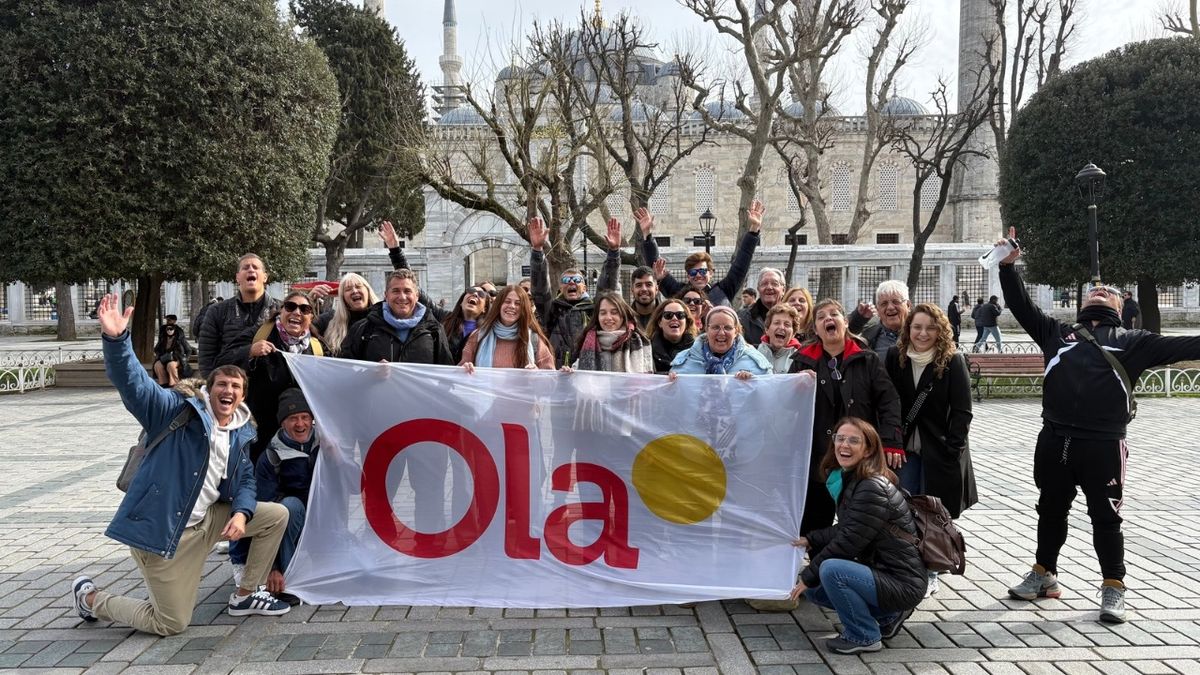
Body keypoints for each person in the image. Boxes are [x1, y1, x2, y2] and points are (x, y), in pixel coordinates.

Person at [997, 227, 1200, 624]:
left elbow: (1188, 346)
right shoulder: (1056, 333)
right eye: (1097, 288)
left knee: (1105, 517)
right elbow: (1020, 305)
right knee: (1049, 510)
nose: (1100, 289)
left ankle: (1113, 587)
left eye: (1110, 290)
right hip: (1054, 439)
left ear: (1122, 306)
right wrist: (1008, 268)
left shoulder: (1135, 341)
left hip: (1103, 446)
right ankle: (1044, 574)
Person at [73, 294, 291, 636]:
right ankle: (91, 598)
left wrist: (241, 513)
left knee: (275, 515)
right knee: (171, 623)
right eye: (222, 384)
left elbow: (245, 481)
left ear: (242, 396)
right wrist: (117, 341)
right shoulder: (175, 411)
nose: (229, 391)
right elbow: (135, 386)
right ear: (208, 388)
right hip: (163, 531)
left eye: (236, 386)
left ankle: (246, 594)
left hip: (206, 522)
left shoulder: (241, 432)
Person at [789, 417, 926, 654]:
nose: (844, 445)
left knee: (831, 570)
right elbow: (848, 527)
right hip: (885, 572)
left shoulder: (871, 486)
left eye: (854, 440)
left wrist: (807, 576)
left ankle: (864, 635)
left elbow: (848, 541)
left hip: (902, 582)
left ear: (868, 449)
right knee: (814, 591)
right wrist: (810, 539)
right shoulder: (853, 479)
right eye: (840, 439)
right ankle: (887, 615)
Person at [884, 303, 977, 596]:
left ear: (940, 331)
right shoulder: (894, 357)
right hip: (903, 450)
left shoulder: (952, 360)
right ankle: (908, 566)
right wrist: (890, 442)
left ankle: (932, 569)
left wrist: (953, 449)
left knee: (934, 512)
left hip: (940, 451)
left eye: (930, 328)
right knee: (904, 508)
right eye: (917, 327)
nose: (922, 334)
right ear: (907, 329)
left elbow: (963, 411)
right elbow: (887, 402)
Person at [789, 299, 903, 536]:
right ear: (816, 328)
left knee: (859, 519)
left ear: (845, 322)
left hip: (858, 455)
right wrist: (795, 386)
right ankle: (815, 567)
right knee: (814, 520)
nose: (828, 319)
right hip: (818, 455)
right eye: (821, 317)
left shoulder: (867, 358)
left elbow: (889, 401)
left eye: (834, 314)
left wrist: (892, 441)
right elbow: (786, 406)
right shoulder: (802, 361)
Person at [247, 388, 319, 606]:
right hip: (292, 522)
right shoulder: (271, 456)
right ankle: (287, 578)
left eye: (305, 417)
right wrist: (272, 568)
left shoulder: (326, 443)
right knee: (289, 506)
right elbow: (263, 515)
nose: (300, 424)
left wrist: (339, 458)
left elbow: (353, 489)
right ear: (282, 424)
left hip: (324, 520)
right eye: (293, 419)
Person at [636, 201, 765, 308]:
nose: (698, 276)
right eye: (693, 272)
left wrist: (754, 230)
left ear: (711, 273)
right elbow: (656, 265)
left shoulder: (724, 290)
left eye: (703, 271)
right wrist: (647, 234)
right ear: (688, 276)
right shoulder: (678, 292)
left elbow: (741, 264)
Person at [529, 217, 619, 367]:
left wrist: (614, 253)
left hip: (588, 371)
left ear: (584, 287)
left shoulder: (594, 310)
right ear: (560, 287)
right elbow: (540, 290)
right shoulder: (552, 311)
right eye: (566, 281)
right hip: (558, 375)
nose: (571, 283)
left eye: (577, 281)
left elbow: (607, 287)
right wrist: (537, 252)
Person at [340, 269, 455, 367]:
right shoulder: (363, 328)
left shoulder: (434, 330)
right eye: (395, 291)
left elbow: (446, 374)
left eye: (407, 291)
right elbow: (344, 370)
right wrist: (370, 373)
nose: (402, 297)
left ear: (417, 296)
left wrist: (465, 372)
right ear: (386, 295)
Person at [199, 254, 280, 377]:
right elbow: (207, 359)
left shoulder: (281, 310)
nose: (251, 270)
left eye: (255, 267)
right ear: (237, 278)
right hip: (231, 386)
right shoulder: (217, 311)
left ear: (265, 277)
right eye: (245, 267)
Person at [460, 285, 554, 372]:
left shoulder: (534, 339)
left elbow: (551, 378)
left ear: (524, 309)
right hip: (484, 390)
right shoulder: (479, 336)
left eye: (518, 303)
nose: (512, 306)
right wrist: (465, 369)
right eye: (507, 301)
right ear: (498, 305)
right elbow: (460, 371)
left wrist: (537, 373)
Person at [562, 292, 654, 374]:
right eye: (603, 313)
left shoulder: (640, 342)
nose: (608, 318)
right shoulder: (586, 342)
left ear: (623, 315)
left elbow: (650, 380)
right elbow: (579, 375)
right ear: (597, 316)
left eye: (614, 312)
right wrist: (569, 373)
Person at [669, 306, 771, 378]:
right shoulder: (684, 361)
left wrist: (754, 385)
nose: (721, 333)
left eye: (727, 328)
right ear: (707, 329)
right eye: (715, 327)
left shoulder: (756, 363)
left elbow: (768, 396)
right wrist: (671, 385)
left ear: (736, 331)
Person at [314, 272, 381, 357]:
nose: (354, 291)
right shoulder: (330, 319)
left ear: (368, 290)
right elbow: (301, 329)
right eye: (348, 289)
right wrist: (309, 300)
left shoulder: (384, 317)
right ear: (343, 297)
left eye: (358, 286)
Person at [849, 280, 910, 358]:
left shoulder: (921, 333)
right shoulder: (868, 337)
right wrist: (858, 319)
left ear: (908, 305)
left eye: (896, 302)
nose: (890, 307)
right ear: (877, 309)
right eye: (884, 304)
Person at [441, 286, 492, 363]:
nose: (475, 294)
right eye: (471, 291)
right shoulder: (445, 318)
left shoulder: (488, 332)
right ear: (461, 302)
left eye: (481, 294)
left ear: (484, 308)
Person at [647, 299, 697, 374]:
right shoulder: (646, 349)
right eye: (668, 315)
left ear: (686, 323)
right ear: (660, 322)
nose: (674, 318)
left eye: (680, 315)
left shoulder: (699, 350)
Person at [738, 267, 786, 345]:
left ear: (783, 290)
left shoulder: (793, 317)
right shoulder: (742, 317)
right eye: (764, 284)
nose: (769, 287)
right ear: (758, 289)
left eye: (774, 284)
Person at [756, 304, 803, 374]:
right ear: (767, 329)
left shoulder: (800, 359)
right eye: (777, 323)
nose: (781, 327)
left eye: (787, 324)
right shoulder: (754, 352)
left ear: (793, 334)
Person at [153, 321, 193, 386]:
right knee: (157, 365)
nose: (169, 331)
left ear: (174, 330)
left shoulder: (180, 339)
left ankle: (174, 384)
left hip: (177, 359)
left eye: (171, 329)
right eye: (167, 329)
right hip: (164, 358)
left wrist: (185, 359)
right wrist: (159, 355)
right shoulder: (163, 338)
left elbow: (189, 350)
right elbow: (156, 349)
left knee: (170, 365)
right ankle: (163, 383)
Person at [628, 266, 665, 330]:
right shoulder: (625, 317)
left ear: (656, 289)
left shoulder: (667, 315)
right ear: (632, 290)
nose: (644, 289)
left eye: (648, 284)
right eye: (639, 285)